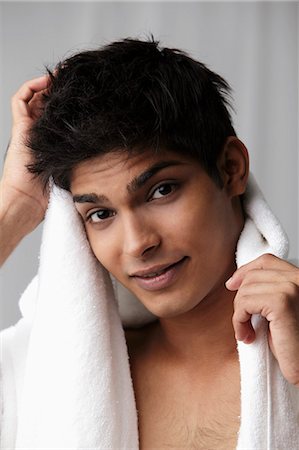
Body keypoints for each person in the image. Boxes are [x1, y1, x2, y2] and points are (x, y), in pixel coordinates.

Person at [1, 37, 299, 449]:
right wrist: (16, 205)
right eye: (101, 214)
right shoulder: (46, 374)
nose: (137, 244)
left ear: (231, 168)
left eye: (161, 191)